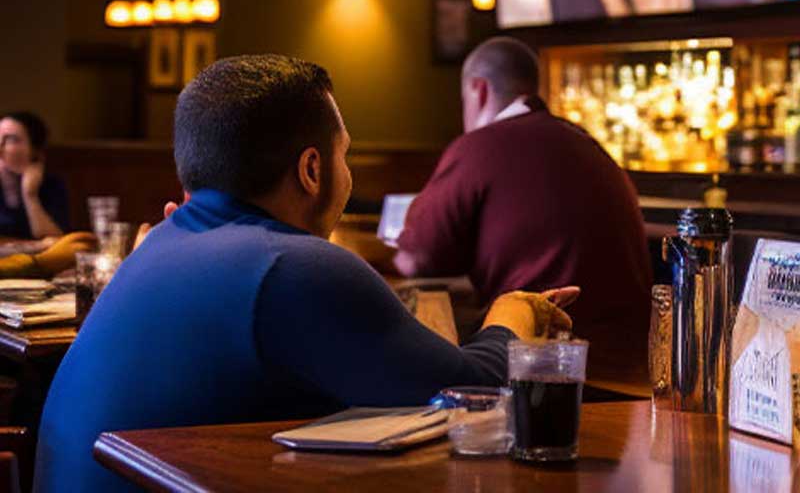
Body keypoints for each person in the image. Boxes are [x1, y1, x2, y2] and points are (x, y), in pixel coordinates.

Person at [34, 54, 575, 493]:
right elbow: (468, 394)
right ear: (312, 169)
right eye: (345, 155)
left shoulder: (158, 246)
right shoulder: (289, 266)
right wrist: (513, 314)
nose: (347, 170)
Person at [394, 37, 652, 382]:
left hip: (547, 367)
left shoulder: (480, 146)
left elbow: (415, 260)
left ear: (478, 90)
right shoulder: (589, 145)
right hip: (634, 367)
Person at [0, 113, 69, 239]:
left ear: (34, 150)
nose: (0, 146)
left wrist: (30, 196)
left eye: (11, 140)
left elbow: (54, 241)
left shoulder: (52, 184)